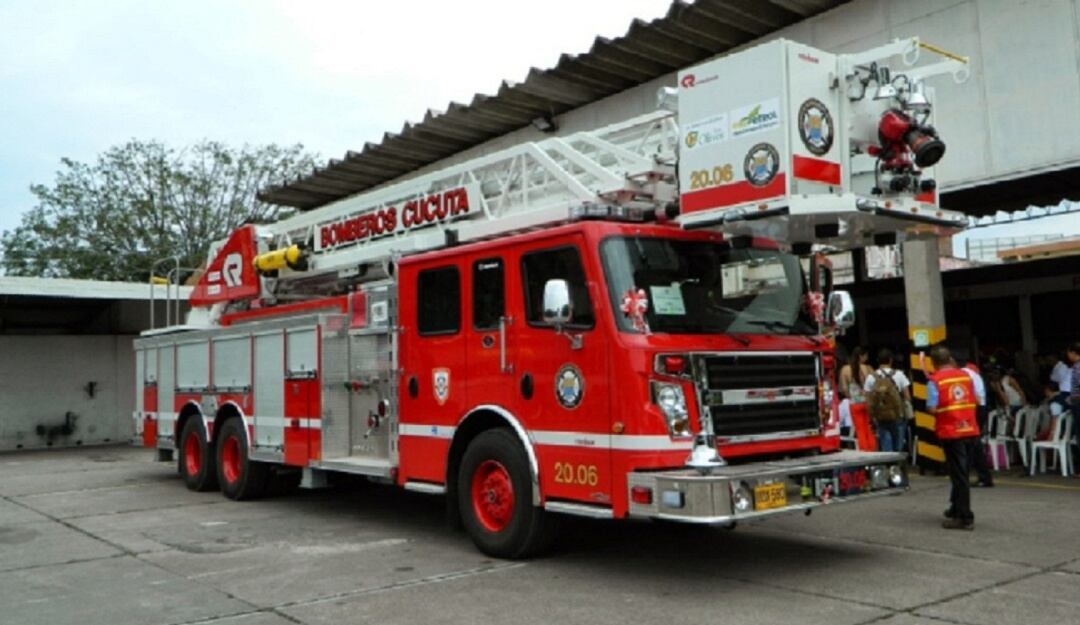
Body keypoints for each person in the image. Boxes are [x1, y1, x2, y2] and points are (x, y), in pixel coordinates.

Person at [925, 345, 980, 530]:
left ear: (933, 363)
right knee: (961, 473)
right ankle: (955, 508)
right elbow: (976, 400)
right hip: (970, 429)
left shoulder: (935, 381)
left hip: (951, 432)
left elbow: (932, 408)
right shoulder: (966, 376)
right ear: (949, 359)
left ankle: (965, 517)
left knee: (959, 475)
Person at [863, 348, 911, 452]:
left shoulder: (871, 377)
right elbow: (907, 396)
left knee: (885, 444)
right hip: (897, 414)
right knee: (898, 444)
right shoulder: (899, 375)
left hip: (880, 416)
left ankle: (887, 466)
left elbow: (867, 399)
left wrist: (872, 416)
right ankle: (897, 465)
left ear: (878, 361)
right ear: (891, 360)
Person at [960, 360, 993, 487]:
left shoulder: (964, 373)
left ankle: (977, 476)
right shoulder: (976, 375)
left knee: (971, 444)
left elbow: (974, 397)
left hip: (975, 409)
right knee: (973, 443)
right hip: (981, 409)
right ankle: (982, 476)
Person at [840, 346, 875, 450]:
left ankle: (864, 452)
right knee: (869, 428)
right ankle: (872, 451)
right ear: (861, 356)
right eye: (866, 356)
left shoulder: (845, 369)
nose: (867, 358)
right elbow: (874, 386)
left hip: (854, 403)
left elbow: (844, 388)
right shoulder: (868, 368)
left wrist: (851, 396)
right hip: (867, 403)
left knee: (860, 430)